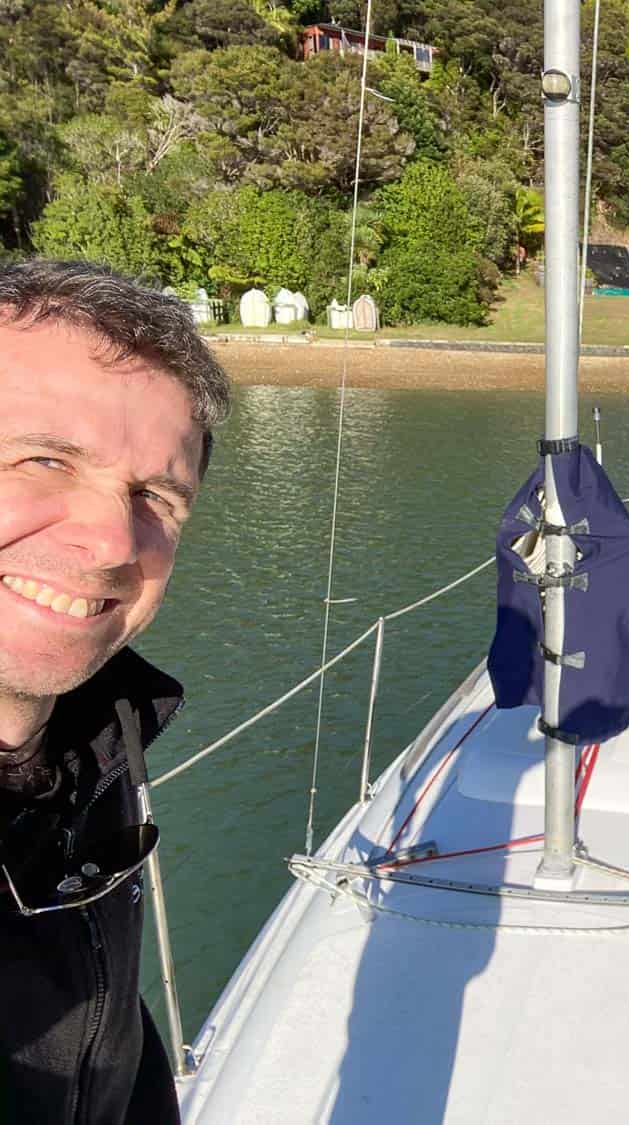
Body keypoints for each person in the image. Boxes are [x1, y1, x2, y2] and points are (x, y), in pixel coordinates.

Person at [0, 260, 230, 1123]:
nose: (107, 542)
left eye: (154, 498)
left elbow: (114, 1046)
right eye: (43, 458)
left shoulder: (100, 737)